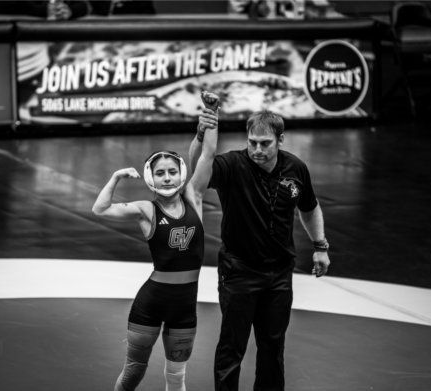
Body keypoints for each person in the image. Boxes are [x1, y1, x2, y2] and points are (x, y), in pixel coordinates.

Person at [188, 110, 331, 391]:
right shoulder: (232, 165)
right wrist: (200, 135)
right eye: (252, 142)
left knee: (273, 346)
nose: (257, 149)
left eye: (265, 143)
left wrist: (320, 246)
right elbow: (198, 169)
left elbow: (310, 208)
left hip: (279, 274)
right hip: (239, 271)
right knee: (232, 347)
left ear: (280, 140)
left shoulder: (296, 168)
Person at [92, 105, 218, 391]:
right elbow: (100, 209)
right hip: (150, 304)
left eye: (172, 172)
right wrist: (115, 178)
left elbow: (207, 155)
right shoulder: (146, 210)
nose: (167, 177)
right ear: (151, 177)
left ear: (180, 174)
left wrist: (211, 118)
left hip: (185, 308)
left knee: (177, 377)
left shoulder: (194, 199)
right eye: (160, 173)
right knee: (134, 370)